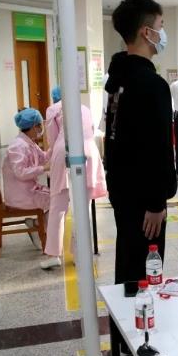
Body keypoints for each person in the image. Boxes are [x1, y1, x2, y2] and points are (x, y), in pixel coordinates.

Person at [108, 0, 177, 284]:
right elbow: (157, 147)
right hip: (144, 199)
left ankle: (124, 312)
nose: (163, 32)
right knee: (145, 272)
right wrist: (156, 202)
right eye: (160, 25)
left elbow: (116, 137)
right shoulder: (151, 84)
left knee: (127, 262)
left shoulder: (118, 79)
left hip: (122, 190)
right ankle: (139, 314)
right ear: (146, 32)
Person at [43, 86, 107, 270]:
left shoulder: (53, 109)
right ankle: (80, 254)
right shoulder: (85, 108)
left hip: (65, 152)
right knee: (82, 208)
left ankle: (54, 254)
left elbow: (53, 139)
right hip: (89, 152)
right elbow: (91, 130)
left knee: (58, 206)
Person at [2, 108, 50, 248]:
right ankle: (38, 228)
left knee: (59, 197)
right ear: (33, 126)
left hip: (28, 190)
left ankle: (38, 226)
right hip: (20, 196)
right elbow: (21, 173)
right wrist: (44, 168)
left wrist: (57, 147)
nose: (41, 129)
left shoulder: (29, 142)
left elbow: (43, 157)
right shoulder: (17, 146)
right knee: (58, 200)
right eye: (39, 125)